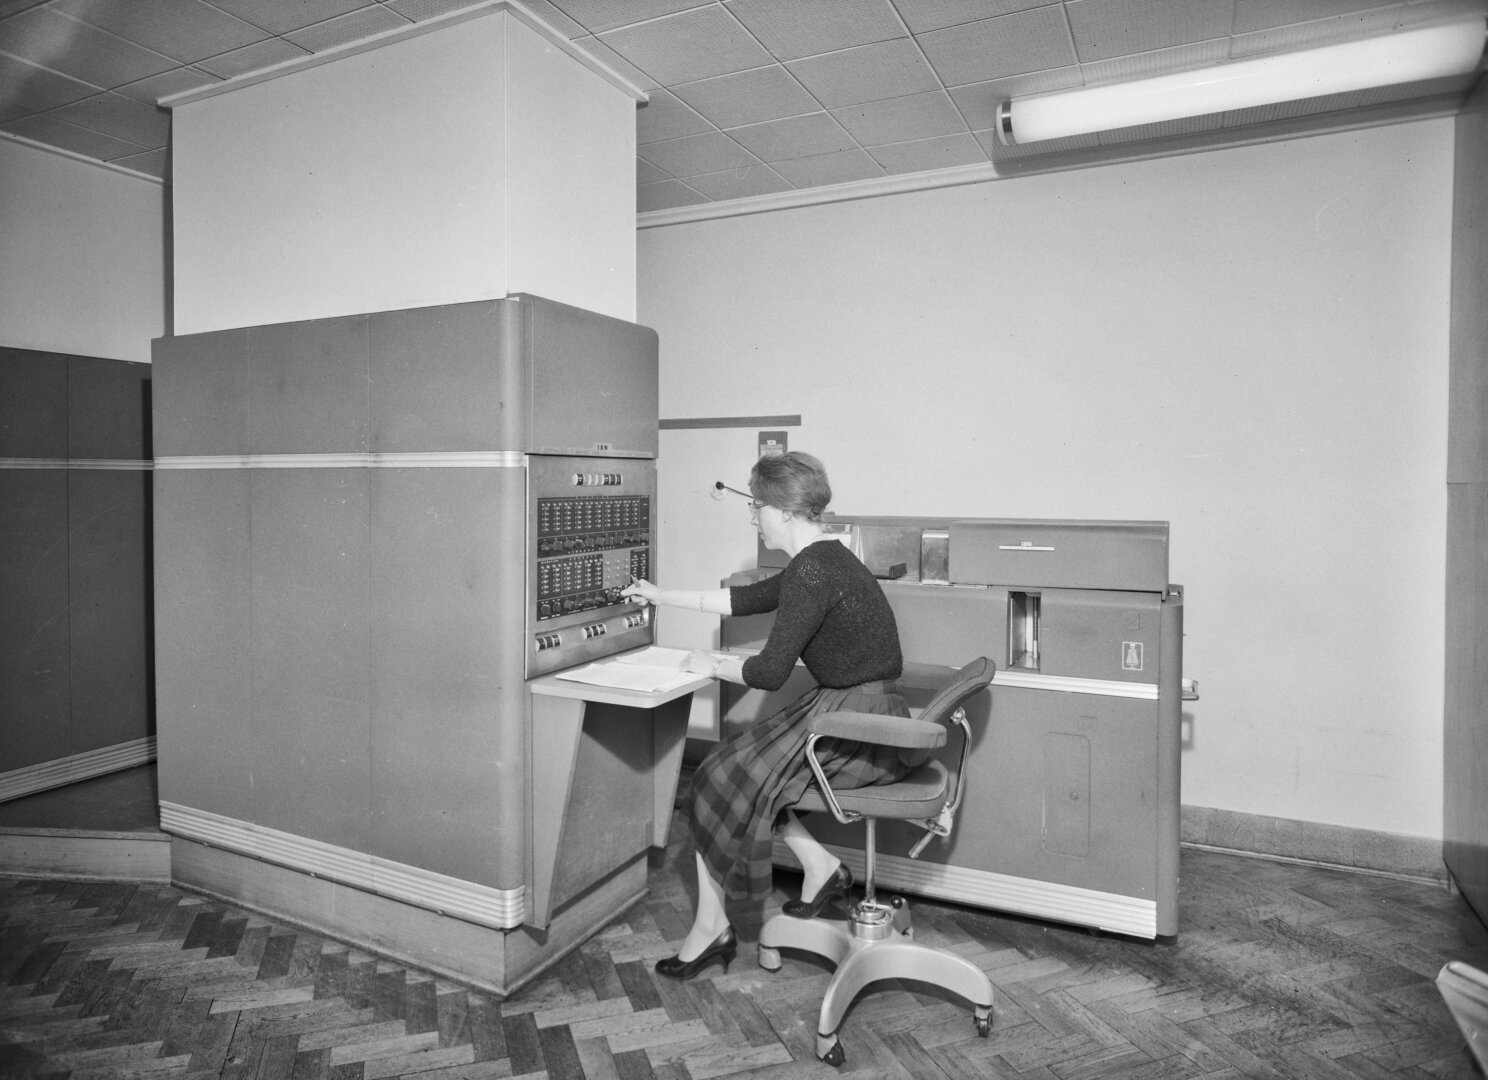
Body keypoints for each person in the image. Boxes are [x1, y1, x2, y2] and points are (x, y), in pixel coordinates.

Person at [621, 451, 914, 981]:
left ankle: (713, 927)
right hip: (863, 712)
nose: (754, 517)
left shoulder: (812, 571)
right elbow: (744, 599)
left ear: (780, 510)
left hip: (855, 725)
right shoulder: (824, 557)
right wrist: (659, 596)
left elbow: (770, 672)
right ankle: (818, 868)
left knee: (718, 775)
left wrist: (710, 663)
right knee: (743, 774)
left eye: (756, 507)